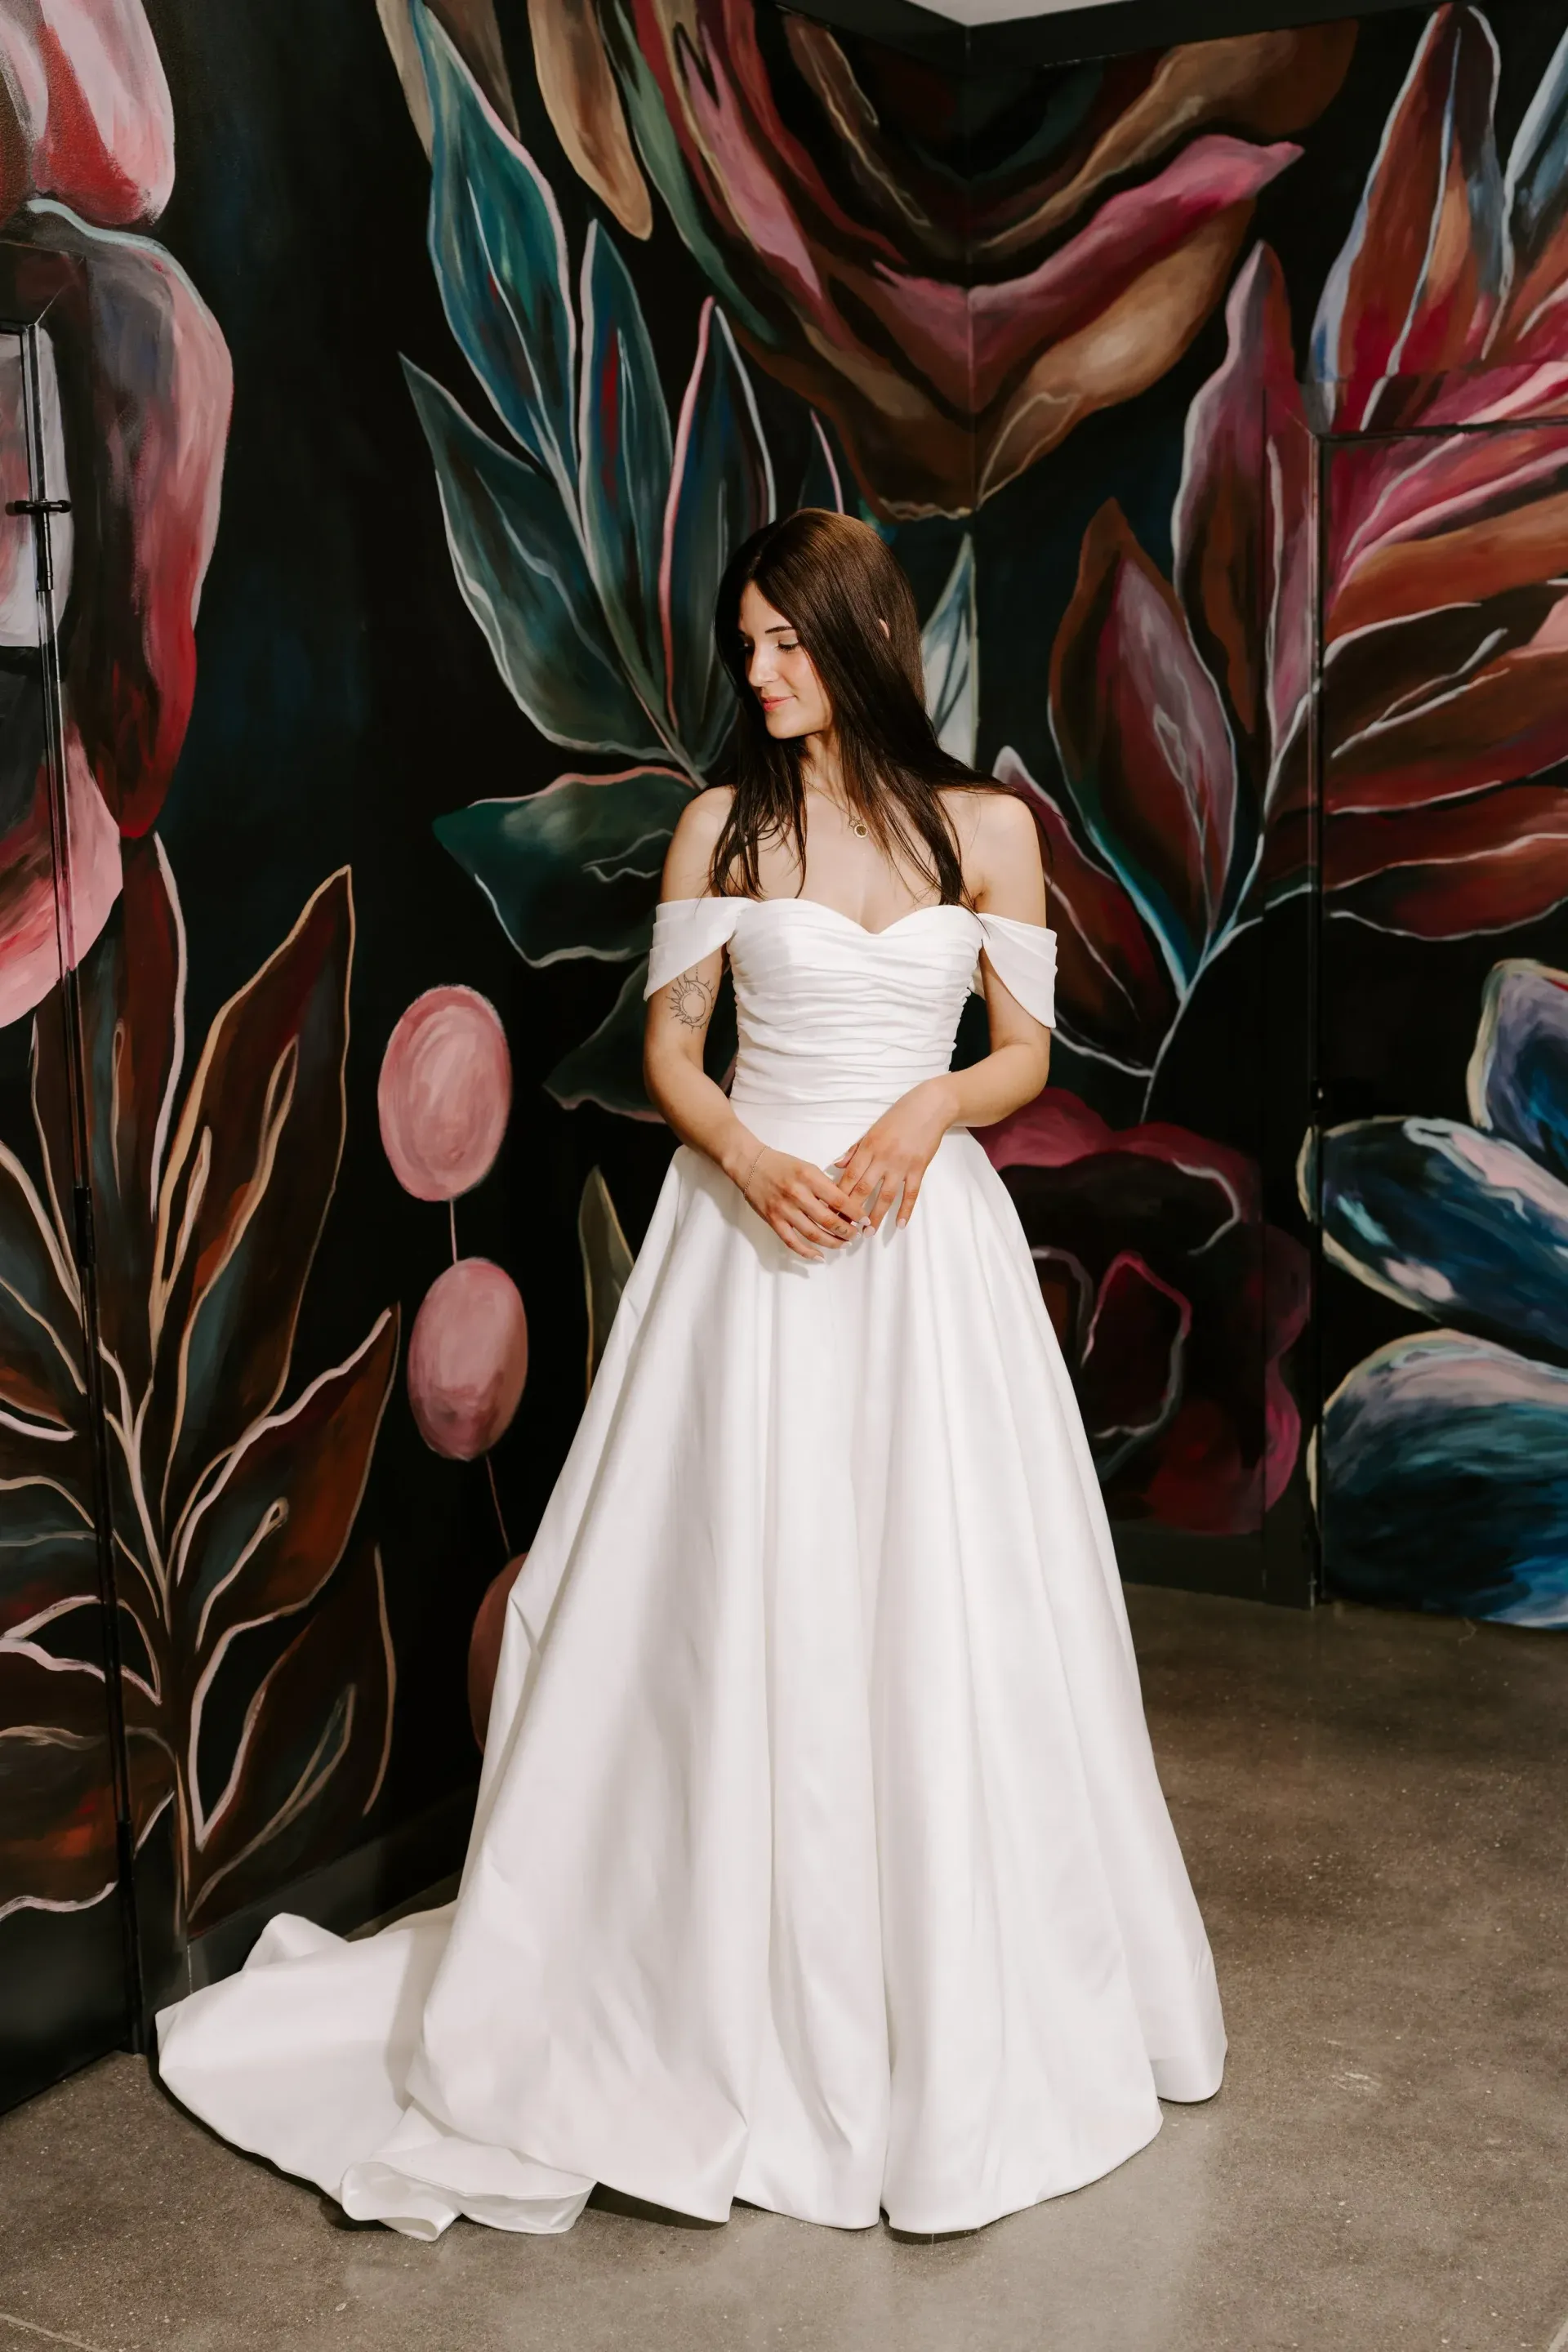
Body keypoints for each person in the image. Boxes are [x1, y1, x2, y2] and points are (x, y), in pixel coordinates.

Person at [155, 510, 1224, 2242]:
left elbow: (1022, 1052)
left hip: (917, 1246)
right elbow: (669, 1048)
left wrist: (917, 1118)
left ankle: (951, 2001)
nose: (758, 674)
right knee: (736, 1599)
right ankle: (701, 1983)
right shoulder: (723, 826)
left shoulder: (986, 830)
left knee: (946, 1602)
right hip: (752, 1242)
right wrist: (745, 1156)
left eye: (783, 644)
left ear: (859, 636)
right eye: (745, 648)